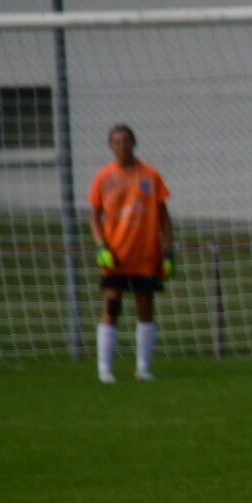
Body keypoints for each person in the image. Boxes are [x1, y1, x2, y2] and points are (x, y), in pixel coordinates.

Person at [88, 124, 173, 383]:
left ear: (134, 143)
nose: (122, 146)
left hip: (145, 255)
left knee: (145, 306)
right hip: (116, 255)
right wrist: (101, 246)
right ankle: (105, 369)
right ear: (110, 146)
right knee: (112, 304)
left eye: (126, 141)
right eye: (117, 142)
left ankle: (143, 369)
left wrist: (168, 251)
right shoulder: (104, 177)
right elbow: (94, 217)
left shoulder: (150, 175)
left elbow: (164, 217)